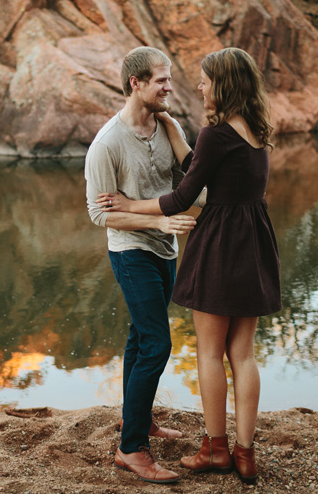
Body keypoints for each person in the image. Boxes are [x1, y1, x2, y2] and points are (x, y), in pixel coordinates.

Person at [98, 47, 282, 486]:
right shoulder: (255, 128)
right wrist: (178, 133)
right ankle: (245, 452)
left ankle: (215, 449)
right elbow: (204, 169)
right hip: (254, 243)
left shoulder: (216, 134)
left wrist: (130, 204)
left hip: (220, 247)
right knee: (243, 353)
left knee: (208, 352)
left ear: (223, 85)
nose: (197, 86)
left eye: (204, 79)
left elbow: (183, 197)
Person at [84, 46, 205, 484]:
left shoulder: (165, 126)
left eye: (169, 79)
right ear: (135, 83)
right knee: (157, 344)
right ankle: (132, 448)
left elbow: (192, 181)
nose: (169, 87)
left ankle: (137, 418)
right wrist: (156, 216)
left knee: (139, 338)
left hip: (164, 249)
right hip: (130, 250)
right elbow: (100, 214)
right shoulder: (106, 145)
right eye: (161, 80)